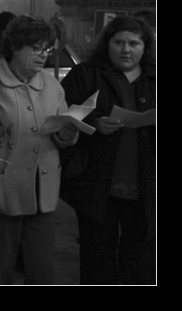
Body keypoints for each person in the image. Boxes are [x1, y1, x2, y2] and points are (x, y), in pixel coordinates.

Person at [0, 15, 78, 285]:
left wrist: (68, 135)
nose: (43, 56)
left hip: (44, 190)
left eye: (47, 49)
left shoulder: (52, 85)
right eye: (36, 48)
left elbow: (62, 132)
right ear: (15, 47)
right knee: (1, 270)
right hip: (2, 190)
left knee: (42, 272)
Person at [60, 16, 156, 285]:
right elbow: (61, 114)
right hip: (97, 184)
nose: (126, 49)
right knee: (96, 258)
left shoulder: (153, 77)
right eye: (119, 42)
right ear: (108, 44)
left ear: (145, 47)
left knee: (140, 260)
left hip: (144, 187)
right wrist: (94, 123)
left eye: (134, 43)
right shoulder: (87, 74)